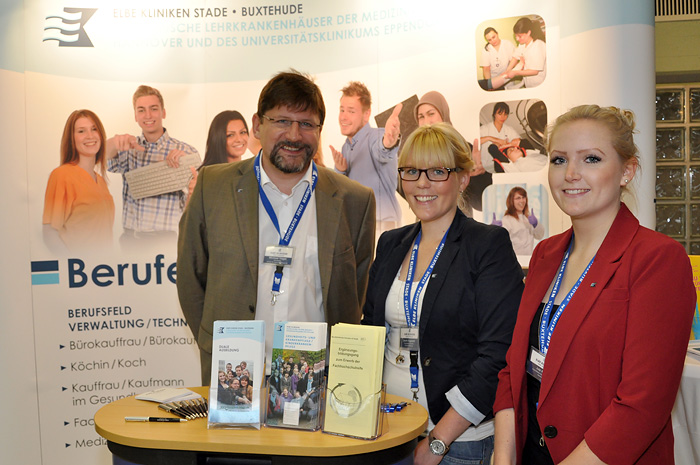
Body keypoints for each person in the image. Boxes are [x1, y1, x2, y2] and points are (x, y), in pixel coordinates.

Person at [493, 105, 696, 465]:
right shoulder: (545, 254)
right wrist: (503, 456)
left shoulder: (657, 260)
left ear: (626, 171)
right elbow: (514, 368)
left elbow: (641, 407)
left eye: (591, 159)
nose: (571, 173)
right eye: (559, 160)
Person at [178, 70, 376, 385]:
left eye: (307, 124)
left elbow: (356, 290)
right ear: (258, 125)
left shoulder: (355, 200)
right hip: (235, 375)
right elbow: (191, 278)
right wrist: (214, 344)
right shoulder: (212, 187)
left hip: (314, 381)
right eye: (282, 121)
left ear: (319, 130)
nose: (294, 135)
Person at [363, 123, 524, 464]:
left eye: (437, 171)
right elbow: (369, 331)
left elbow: (498, 356)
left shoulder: (486, 246)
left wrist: (439, 441)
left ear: (463, 179)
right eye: (411, 171)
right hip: (387, 431)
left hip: (457, 442)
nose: (422, 183)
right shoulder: (390, 244)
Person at [107, 85, 200, 247]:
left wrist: (185, 168)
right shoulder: (127, 150)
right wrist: (114, 142)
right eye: (141, 110)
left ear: (163, 112)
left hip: (167, 241)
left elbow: (198, 200)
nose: (148, 115)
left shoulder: (186, 152)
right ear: (135, 116)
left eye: (154, 109)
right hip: (129, 241)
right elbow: (97, 158)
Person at [330, 81, 402, 235]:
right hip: (356, 226)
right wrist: (341, 171)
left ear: (366, 114)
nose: (343, 117)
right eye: (342, 110)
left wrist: (389, 142)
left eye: (351, 111)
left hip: (381, 226)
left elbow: (382, 149)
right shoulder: (346, 147)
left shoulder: (376, 136)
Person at [43, 110, 115, 252]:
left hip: (104, 263)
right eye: (81, 131)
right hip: (80, 264)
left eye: (94, 129)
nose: (90, 136)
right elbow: (50, 233)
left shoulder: (100, 181)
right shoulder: (62, 175)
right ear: (72, 138)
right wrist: (72, 263)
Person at [413, 91, 491, 213]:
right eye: (421, 117)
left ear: (443, 114)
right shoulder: (415, 156)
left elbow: (481, 204)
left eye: (431, 114)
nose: (426, 121)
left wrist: (477, 175)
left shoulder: (462, 149)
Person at [187, 110, 250, 197]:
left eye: (243, 132)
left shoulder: (252, 172)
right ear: (218, 138)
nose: (239, 139)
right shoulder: (203, 177)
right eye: (230, 135)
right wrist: (192, 196)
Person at [501, 17, 547, 89]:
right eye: (516, 36)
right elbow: (515, 57)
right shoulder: (522, 44)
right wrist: (507, 70)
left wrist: (515, 72)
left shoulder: (538, 45)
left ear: (528, 32)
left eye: (519, 36)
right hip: (528, 83)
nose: (517, 39)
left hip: (539, 84)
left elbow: (535, 71)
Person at [499, 187, 544, 256]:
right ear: (511, 201)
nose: (522, 201)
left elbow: (540, 236)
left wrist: (536, 224)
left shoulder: (529, 218)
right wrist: (495, 229)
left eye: (523, 197)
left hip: (528, 259)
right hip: (515, 259)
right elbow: (502, 242)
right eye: (518, 198)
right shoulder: (507, 219)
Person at [480, 102, 522, 174]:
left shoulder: (508, 129)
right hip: (485, 167)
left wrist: (508, 144)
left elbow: (519, 140)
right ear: (494, 114)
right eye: (500, 114)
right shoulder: (485, 128)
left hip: (504, 166)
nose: (503, 117)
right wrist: (491, 138)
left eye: (505, 114)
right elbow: (474, 141)